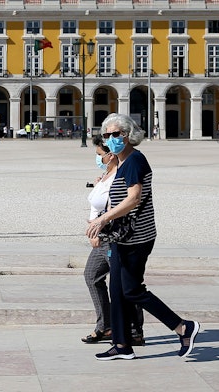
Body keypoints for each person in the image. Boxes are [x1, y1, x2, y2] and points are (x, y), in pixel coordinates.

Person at [86, 113, 200, 361]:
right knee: (117, 290)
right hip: (121, 237)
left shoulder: (135, 160)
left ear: (128, 135)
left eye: (116, 134)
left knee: (132, 290)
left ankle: (183, 327)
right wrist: (103, 218)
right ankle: (122, 344)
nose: (111, 139)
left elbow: (134, 198)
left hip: (137, 238)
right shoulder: (121, 162)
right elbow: (116, 197)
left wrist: (103, 219)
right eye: (107, 135)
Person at [82, 136, 144, 345]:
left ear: (110, 155)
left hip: (111, 236)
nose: (97, 159)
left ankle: (134, 331)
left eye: (100, 155)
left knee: (125, 283)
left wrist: (99, 227)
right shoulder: (106, 174)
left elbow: (122, 204)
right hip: (99, 236)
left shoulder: (120, 175)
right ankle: (106, 325)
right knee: (92, 276)